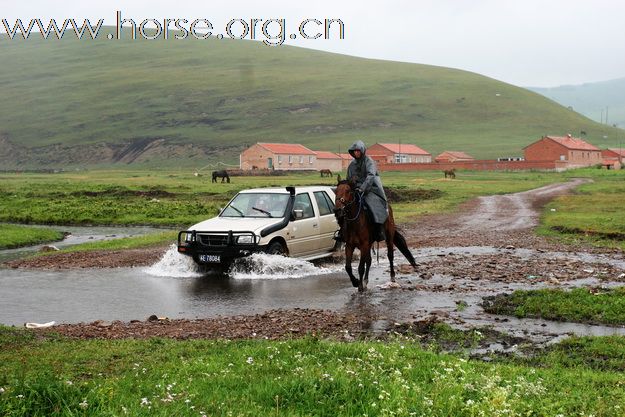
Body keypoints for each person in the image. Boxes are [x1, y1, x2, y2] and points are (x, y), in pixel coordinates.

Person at [343, 140, 389, 242]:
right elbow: (349, 179)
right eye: (354, 151)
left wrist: (363, 188)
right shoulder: (352, 165)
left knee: (373, 205)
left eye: (358, 151)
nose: (356, 153)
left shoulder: (369, 161)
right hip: (356, 190)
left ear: (362, 151)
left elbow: (371, 176)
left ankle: (379, 230)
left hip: (371, 189)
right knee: (344, 207)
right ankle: (343, 232)